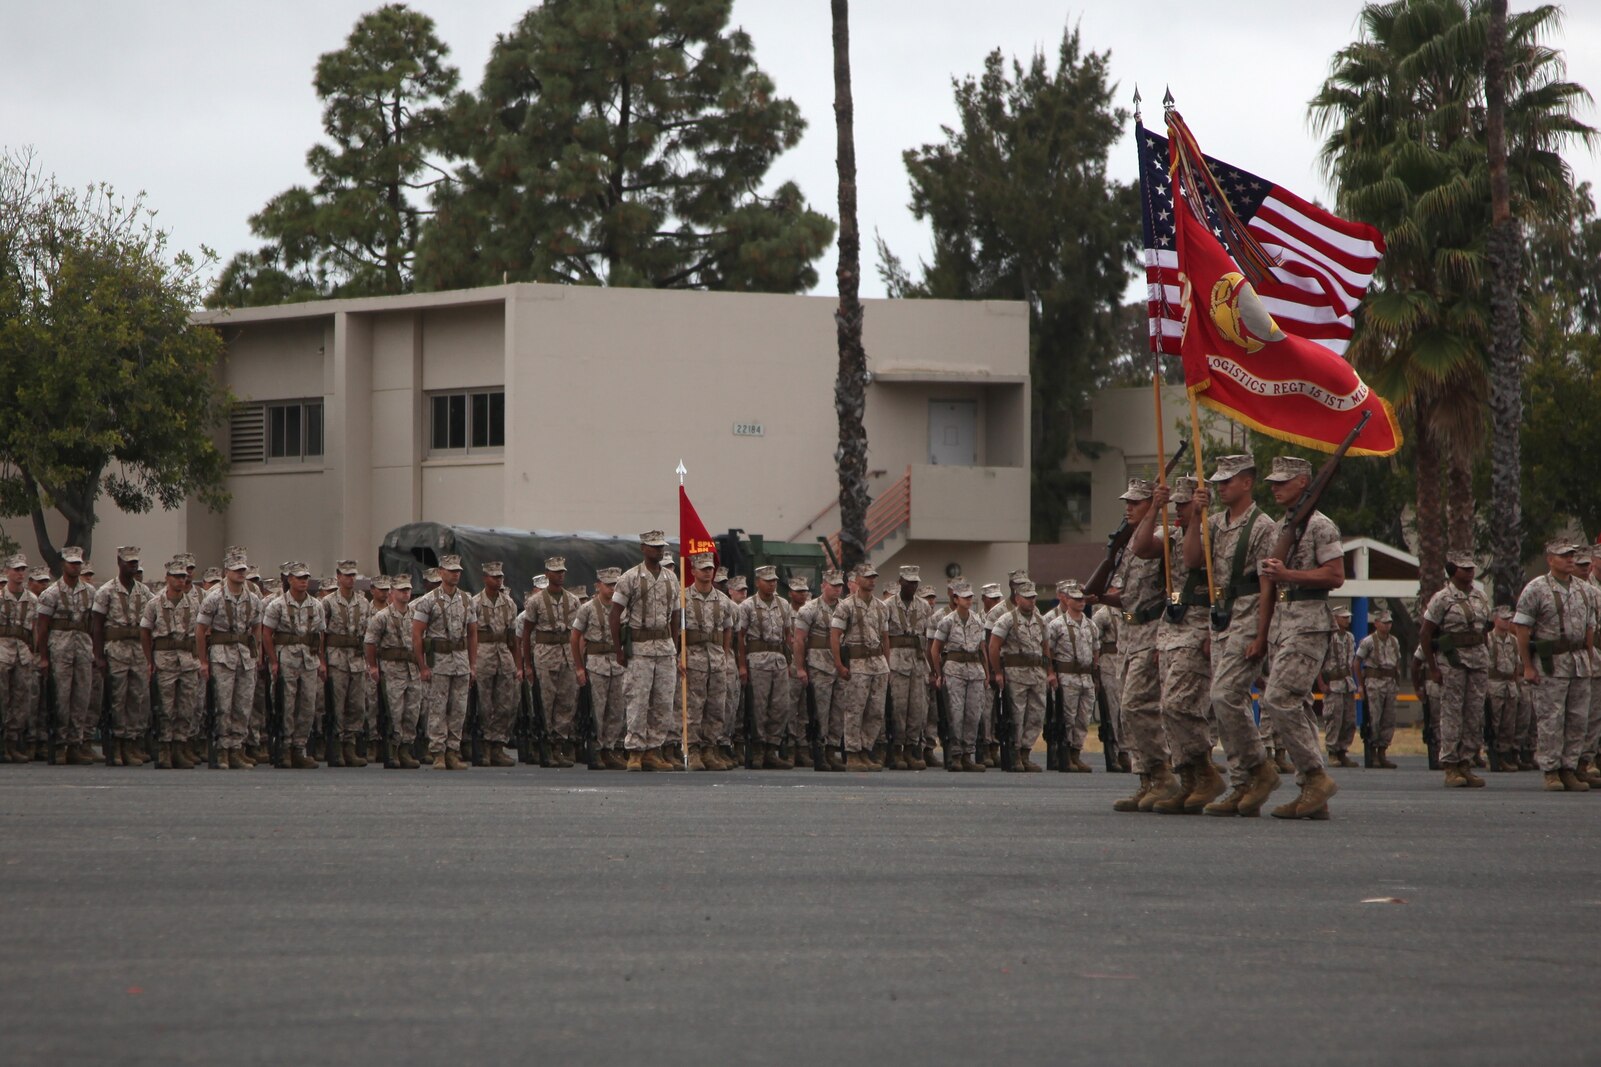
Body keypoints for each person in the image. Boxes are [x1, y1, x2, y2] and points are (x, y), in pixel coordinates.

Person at [1185, 455, 1280, 816]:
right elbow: (1192, 561)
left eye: (1228, 480)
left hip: (1249, 614)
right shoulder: (1215, 523)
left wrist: (1262, 633)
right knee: (1228, 703)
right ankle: (1243, 784)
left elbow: (1268, 582)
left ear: (1247, 483)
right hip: (1222, 617)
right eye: (1218, 481)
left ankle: (1260, 768)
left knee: (1224, 695)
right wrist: (1195, 516)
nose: (1220, 486)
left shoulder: (1262, 527)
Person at [1253, 456, 1346, 820]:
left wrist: (1290, 573)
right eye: (1273, 482)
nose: (1274, 487)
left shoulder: (1321, 526)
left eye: (1283, 481)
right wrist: (1263, 634)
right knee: (1299, 704)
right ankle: (1313, 795)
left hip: (1308, 622)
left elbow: (1335, 576)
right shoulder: (1282, 526)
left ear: (1304, 482)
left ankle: (1316, 776)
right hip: (1283, 624)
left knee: (1279, 699)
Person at [1147, 475, 1225, 812]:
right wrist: (1155, 507)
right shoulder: (1174, 533)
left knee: (1182, 706)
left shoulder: (1215, 532)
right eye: (1175, 502)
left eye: (1184, 502)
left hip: (1200, 625)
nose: (1178, 507)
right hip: (1173, 627)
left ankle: (1206, 771)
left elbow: (1202, 569)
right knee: (1168, 708)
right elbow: (1139, 546)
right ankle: (1190, 778)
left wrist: (1212, 631)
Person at [1514, 539, 1595, 792]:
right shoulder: (1536, 589)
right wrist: (1527, 666)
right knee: (1551, 719)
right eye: (1564, 556)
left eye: (1572, 555)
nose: (1570, 559)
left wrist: (1589, 660)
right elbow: (1522, 630)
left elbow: (1590, 627)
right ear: (1550, 559)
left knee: (1577, 719)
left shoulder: (1585, 589)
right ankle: (1551, 770)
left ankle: (1569, 769)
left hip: (1578, 663)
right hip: (1551, 665)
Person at [611, 532, 682, 772]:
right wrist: (618, 649)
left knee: (663, 701)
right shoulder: (629, 578)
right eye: (653, 547)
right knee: (637, 700)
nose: (658, 551)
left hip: (664, 648)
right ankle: (635, 751)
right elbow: (614, 614)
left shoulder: (671, 578)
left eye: (661, 547)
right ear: (643, 548)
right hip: (639, 648)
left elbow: (675, 614)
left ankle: (654, 750)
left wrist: (675, 645)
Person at [1420, 553, 1493, 788]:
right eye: (1464, 569)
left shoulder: (1480, 596)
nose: (1470, 572)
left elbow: (1485, 631)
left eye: (1472, 568)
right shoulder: (1442, 598)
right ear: (1453, 572)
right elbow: (1426, 633)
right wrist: (1433, 668)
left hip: (1478, 660)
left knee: (1474, 714)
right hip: (1452, 661)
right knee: (1452, 714)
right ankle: (1451, 765)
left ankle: (1466, 762)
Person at [195, 549, 265, 769]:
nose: (240, 573)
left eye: (243, 569)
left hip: (244, 656)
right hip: (222, 655)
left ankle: (237, 748)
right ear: (226, 571)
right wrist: (203, 661)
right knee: (223, 704)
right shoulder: (214, 597)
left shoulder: (253, 599)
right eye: (236, 570)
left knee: (243, 704)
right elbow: (200, 629)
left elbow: (256, 627)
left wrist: (257, 652)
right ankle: (223, 750)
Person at [410, 554, 478, 770]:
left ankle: (452, 752)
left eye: (458, 570)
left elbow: (473, 634)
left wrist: (472, 664)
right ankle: (438, 751)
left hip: (460, 660)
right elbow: (417, 635)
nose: (455, 574)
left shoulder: (467, 600)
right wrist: (422, 666)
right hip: (438, 661)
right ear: (441, 573)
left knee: (459, 709)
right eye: (451, 570)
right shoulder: (427, 601)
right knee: (437, 707)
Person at [90, 546, 153, 766]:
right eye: (129, 562)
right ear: (119, 562)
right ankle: (116, 745)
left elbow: (150, 624)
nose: (133, 566)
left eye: (135, 562)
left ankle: (131, 743)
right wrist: (98, 655)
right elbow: (96, 626)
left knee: (136, 698)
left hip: (137, 650)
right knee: (117, 699)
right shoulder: (106, 591)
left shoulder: (144, 592)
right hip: (115, 649)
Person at [35, 546, 97, 764]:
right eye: (72, 563)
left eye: (78, 563)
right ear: (63, 564)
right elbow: (42, 628)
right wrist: (43, 657)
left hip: (82, 647)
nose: (75, 566)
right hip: (60, 648)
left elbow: (93, 624)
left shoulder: (90, 592)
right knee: (61, 697)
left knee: (81, 697)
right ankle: (60, 743)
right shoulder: (50, 594)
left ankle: (76, 743)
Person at [987, 579, 1056, 773]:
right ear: (1017, 599)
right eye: (1027, 598)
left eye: (1034, 597)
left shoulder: (1041, 621)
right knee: (1016, 715)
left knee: (1036, 715)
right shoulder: (1006, 620)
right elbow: (993, 647)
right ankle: (1015, 753)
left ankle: (1026, 752)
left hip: (1036, 674)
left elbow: (1046, 649)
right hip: (1015, 674)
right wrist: (998, 672)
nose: (1032, 601)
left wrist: (1049, 672)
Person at [262, 562, 327, 769]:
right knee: (286, 704)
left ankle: (300, 748)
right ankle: (285, 748)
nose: (304, 581)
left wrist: (321, 661)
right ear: (289, 580)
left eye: (306, 577)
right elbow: (266, 634)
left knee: (307, 704)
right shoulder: (277, 605)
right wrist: (273, 661)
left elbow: (320, 635)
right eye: (299, 578)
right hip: (286, 660)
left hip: (308, 660)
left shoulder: (316, 605)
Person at [140, 559, 203, 769]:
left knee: (186, 707)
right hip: (165, 660)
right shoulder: (155, 603)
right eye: (176, 576)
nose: (180, 580)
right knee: (165, 708)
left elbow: (201, 632)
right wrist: (150, 661)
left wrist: (200, 658)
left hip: (187, 660)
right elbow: (145, 631)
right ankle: (164, 749)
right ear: (167, 578)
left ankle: (179, 747)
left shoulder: (194, 603)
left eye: (183, 576)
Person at [830, 564, 891, 772]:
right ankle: (853, 752)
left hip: (877, 663)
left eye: (874, 577)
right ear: (857, 579)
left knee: (875, 711)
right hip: (857, 663)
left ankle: (866, 749)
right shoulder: (846, 606)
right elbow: (835, 635)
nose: (872, 581)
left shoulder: (882, 607)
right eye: (867, 577)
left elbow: (885, 637)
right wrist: (839, 664)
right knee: (855, 710)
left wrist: (887, 664)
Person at [523, 556, 582, 767]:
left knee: (566, 702)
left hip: (566, 655)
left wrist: (579, 663)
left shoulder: (573, 601)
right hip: (545, 656)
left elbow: (577, 633)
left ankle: (559, 746)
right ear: (547, 574)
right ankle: (545, 747)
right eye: (556, 572)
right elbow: (527, 631)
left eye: (562, 571)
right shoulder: (535, 601)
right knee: (546, 703)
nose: (560, 575)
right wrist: (528, 665)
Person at [739, 564, 796, 768]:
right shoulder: (747, 606)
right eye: (767, 581)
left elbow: (788, 635)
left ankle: (772, 748)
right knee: (758, 708)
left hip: (779, 661)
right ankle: (758, 750)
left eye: (774, 581)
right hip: (757, 661)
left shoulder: (783, 605)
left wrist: (789, 662)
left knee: (780, 707)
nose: (772, 584)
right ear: (757, 582)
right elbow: (740, 637)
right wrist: (742, 666)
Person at [931, 580, 989, 772]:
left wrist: (986, 672)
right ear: (955, 599)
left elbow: (982, 649)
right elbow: (935, 649)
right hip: (954, 670)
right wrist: (939, 673)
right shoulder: (947, 621)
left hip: (975, 670)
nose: (968, 600)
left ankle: (967, 754)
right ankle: (955, 754)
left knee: (973, 714)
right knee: (956, 714)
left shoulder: (978, 620)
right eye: (964, 597)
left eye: (970, 597)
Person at [572, 567, 627, 768]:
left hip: (617, 662)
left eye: (615, 584)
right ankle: (595, 748)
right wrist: (579, 667)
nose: (612, 589)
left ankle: (610, 749)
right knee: (597, 709)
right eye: (609, 584)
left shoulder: (622, 608)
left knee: (617, 709)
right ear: (598, 585)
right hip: (596, 664)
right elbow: (575, 637)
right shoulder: (587, 608)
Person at [682, 553, 733, 771]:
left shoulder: (723, 600)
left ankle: (709, 749)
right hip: (693, 659)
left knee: (716, 707)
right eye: (703, 568)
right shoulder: (683, 598)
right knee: (694, 707)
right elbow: (677, 630)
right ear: (693, 571)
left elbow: (728, 628)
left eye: (710, 568)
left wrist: (725, 653)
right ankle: (693, 750)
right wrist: (679, 656)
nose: (708, 572)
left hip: (716, 660)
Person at [365, 575, 421, 769]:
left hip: (412, 669)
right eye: (401, 590)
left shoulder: (416, 615)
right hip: (391, 669)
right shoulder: (382, 617)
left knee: (412, 712)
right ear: (392, 593)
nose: (406, 593)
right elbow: (370, 642)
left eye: (408, 590)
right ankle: (393, 750)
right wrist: (373, 666)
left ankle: (406, 749)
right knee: (394, 712)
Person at [793, 569, 847, 771]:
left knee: (838, 711)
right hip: (819, 665)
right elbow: (799, 640)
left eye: (840, 585)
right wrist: (800, 668)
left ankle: (833, 750)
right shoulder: (809, 609)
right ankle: (820, 750)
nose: (837, 589)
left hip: (839, 665)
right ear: (824, 585)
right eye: (833, 585)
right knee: (820, 712)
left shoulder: (845, 608)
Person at [321, 559, 371, 768]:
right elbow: (321, 635)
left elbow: (368, 634)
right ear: (338, 576)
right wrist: (322, 661)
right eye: (346, 575)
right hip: (337, 659)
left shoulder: (363, 602)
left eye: (353, 575)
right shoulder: (328, 602)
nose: (350, 579)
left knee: (356, 706)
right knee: (337, 706)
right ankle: (336, 747)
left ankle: (350, 746)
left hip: (357, 660)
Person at [884, 564, 933, 770]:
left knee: (918, 708)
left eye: (915, 583)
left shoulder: (923, 606)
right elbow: (883, 636)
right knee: (898, 708)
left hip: (917, 661)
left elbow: (928, 637)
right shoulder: (887, 605)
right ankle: (896, 750)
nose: (912, 586)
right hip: (896, 661)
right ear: (900, 582)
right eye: (909, 582)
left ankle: (912, 749)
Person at [1045, 580, 1098, 774]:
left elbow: (1095, 651)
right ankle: (1065, 754)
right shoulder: (1056, 624)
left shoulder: (1091, 625)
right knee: (1067, 717)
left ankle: (1076, 753)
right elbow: (1047, 650)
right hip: (1066, 676)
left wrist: (1095, 674)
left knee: (1084, 718)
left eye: (1082, 599)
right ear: (1067, 600)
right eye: (1076, 599)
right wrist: (1050, 673)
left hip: (1085, 677)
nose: (1081, 602)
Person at [471, 561, 519, 768]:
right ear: (485, 578)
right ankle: (484, 747)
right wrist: (471, 663)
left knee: (504, 704)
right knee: (483, 704)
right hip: (483, 654)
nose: (498, 580)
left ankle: (498, 746)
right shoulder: (474, 603)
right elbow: (469, 635)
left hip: (503, 654)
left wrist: (518, 664)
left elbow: (513, 637)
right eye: (494, 577)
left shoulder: (509, 603)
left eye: (500, 577)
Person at [0, 554, 39, 763]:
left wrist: (35, 652)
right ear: (7, 572)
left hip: (23, 654)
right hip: (2, 653)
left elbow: (34, 629)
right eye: (16, 569)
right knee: (2, 699)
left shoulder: (31, 600)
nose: (20, 573)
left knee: (21, 700)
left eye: (23, 569)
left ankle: (13, 742)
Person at [1356, 612, 1402, 768]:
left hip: (1390, 683)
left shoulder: (1394, 641)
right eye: (1384, 622)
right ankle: (1373, 752)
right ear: (1376, 623)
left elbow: (1397, 663)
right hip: (1374, 682)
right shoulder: (1368, 641)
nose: (1387, 625)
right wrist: (1360, 685)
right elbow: (1356, 662)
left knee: (1389, 719)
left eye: (1389, 622)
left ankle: (1383, 751)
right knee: (1374, 719)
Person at [1320, 607, 1360, 767]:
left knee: (1349, 719)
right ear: (1335, 618)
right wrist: (1321, 684)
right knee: (1333, 718)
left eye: (1348, 617)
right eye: (1343, 618)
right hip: (1333, 683)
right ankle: (1332, 752)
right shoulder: (1328, 637)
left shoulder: (1350, 637)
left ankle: (1343, 751)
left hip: (1347, 683)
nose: (1347, 620)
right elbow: (1319, 661)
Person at [1486, 605, 1523, 771]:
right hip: (1494, 684)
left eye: (1509, 619)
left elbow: (1517, 665)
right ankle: (1492, 755)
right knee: (1493, 722)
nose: (1508, 622)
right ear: (1495, 620)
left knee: (1509, 724)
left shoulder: (1514, 641)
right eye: (1504, 618)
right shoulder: (1488, 639)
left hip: (1509, 685)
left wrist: (1516, 684)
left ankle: (1504, 755)